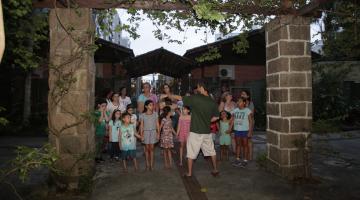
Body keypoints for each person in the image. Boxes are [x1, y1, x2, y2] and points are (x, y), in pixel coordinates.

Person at [169, 81, 219, 177]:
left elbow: (181, 98)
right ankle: (215, 169)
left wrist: (170, 95)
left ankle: (189, 173)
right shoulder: (212, 101)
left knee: (191, 153)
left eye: (198, 87)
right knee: (211, 151)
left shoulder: (196, 98)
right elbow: (216, 117)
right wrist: (207, 121)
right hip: (206, 132)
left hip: (195, 131)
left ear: (201, 87)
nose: (197, 89)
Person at [230, 97, 254, 167]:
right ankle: (237, 159)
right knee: (238, 145)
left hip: (245, 130)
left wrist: (250, 131)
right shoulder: (235, 110)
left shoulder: (247, 110)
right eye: (238, 101)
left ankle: (245, 160)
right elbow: (232, 118)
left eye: (240, 101)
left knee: (245, 145)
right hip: (237, 130)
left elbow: (251, 121)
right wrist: (230, 126)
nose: (238, 103)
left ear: (244, 103)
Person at [139, 100, 160, 171]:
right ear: (146, 106)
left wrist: (158, 133)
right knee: (147, 149)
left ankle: (152, 165)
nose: (152, 106)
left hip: (153, 132)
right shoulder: (143, 115)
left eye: (152, 105)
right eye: (150, 105)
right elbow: (141, 126)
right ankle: (147, 165)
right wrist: (141, 135)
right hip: (146, 133)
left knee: (152, 149)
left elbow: (157, 124)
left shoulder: (155, 114)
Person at [240, 90, 255, 160]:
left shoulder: (250, 103)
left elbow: (252, 114)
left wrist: (245, 107)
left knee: (249, 140)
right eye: (241, 94)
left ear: (247, 96)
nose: (242, 95)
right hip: (241, 124)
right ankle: (245, 156)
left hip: (249, 123)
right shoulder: (239, 103)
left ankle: (250, 156)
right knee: (242, 141)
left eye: (244, 94)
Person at [94, 98, 110, 163]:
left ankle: (100, 157)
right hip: (97, 131)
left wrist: (104, 112)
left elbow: (107, 120)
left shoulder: (106, 112)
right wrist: (101, 112)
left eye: (105, 106)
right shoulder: (96, 112)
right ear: (99, 105)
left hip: (103, 131)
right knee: (98, 145)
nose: (104, 107)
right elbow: (100, 120)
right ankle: (96, 157)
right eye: (103, 106)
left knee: (102, 145)